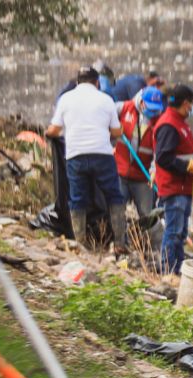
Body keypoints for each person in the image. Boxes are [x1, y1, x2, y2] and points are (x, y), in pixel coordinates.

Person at [45, 66, 129, 253]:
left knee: (77, 199)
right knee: (114, 196)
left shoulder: (66, 99)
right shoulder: (106, 100)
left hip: (76, 156)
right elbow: (116, 131)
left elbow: (54, 130)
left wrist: (48, 132)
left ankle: (81, 243)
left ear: (77, 82)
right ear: (97, 82)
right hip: (102, 155)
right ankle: (120, 243)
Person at [152, 84, 193, 274]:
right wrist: (189, 167)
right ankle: (168, 270)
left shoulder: (179, 122)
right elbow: (163, 158)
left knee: (181, 233)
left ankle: (178, 269)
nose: (192, 107)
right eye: (191, 103)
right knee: (173, 232)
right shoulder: (169, 124)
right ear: (184, 103)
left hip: (184, 187)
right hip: (174, 188)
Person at [113, 85, 161, 224]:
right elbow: (104, 122)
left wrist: (154, 171)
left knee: (148, 215)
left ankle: (149, 243)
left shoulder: (158, 121)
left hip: (143, 176)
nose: (153, 112)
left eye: (155, 109)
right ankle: (118, 243)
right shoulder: (123, 108)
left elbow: (159, 150)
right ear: (141, 102)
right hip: (120, 172)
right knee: (116, 210)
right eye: (150, 108)